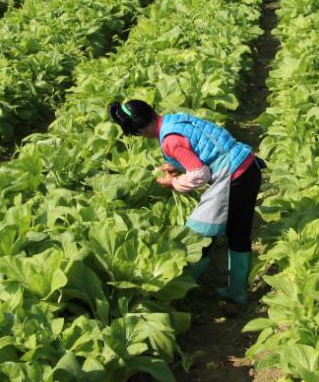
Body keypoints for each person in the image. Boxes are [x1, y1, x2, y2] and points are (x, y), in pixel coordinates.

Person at [109, 100, 262, 305]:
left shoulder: (170, 141)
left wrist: (173, 182)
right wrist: (179, 166)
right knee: (238, 233)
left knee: (198, 236)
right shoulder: (175, 119)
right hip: (248, 167)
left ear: (139, 130)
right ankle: (237, 293)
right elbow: (202, 146)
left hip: (233, 178)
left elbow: (200, 174)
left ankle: (178, 293)